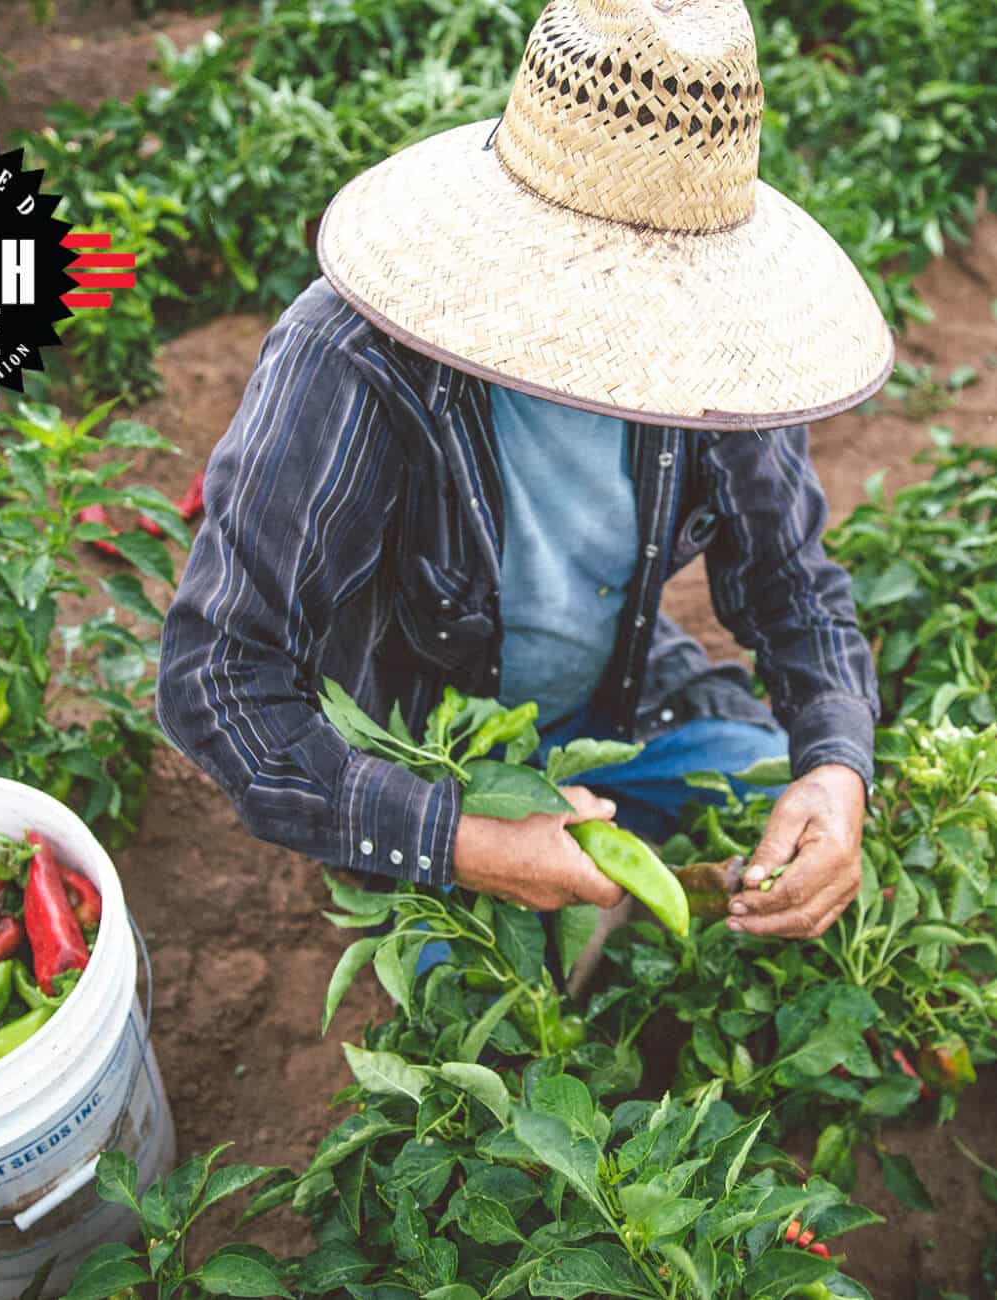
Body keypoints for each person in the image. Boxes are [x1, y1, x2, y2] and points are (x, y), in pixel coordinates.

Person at [155, 0, 892, 947]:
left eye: (677, 287)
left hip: (617, 704)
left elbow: (792, 585)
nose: (651, 325)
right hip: (426, 747)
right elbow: (216, 674)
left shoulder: (720, 357)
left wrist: (836, 767)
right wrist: (456, 839)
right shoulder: (355, 360)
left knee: (779, 808)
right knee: (454, 988)